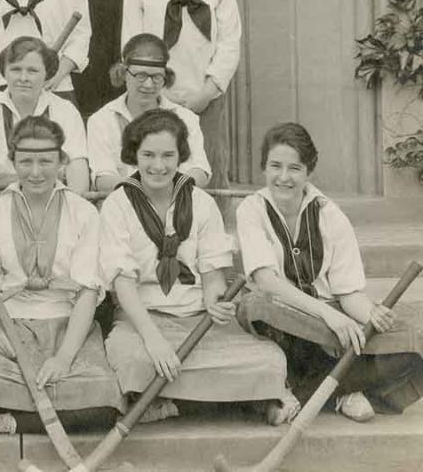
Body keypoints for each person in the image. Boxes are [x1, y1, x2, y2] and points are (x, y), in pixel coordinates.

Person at [99, 109, 297, 425]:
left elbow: (213, 278)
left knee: (269, 359)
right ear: (133, 156)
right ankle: (241, 402)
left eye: (168, 155)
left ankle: (168, 402)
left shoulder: (201, 203)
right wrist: (153, 339)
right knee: (129, 361)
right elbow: (122, 283)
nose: (158, 165)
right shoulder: (117, 204)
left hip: (197, 319)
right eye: (148, 155)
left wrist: (214, 302)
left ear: (181, 157)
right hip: (141, 319)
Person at [0, 116, 124, 440]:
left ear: (62, 162)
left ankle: (0, 425)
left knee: (103, 404)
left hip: (69, 323)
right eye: (25, 161)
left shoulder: (83, 212)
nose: (35, 172)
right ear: (12, 161)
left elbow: (87, 293)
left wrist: (64, 358)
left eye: (45, 161)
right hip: (12, 324)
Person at [236, 122, 423, 422]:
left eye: (294, 168)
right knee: (254, 306)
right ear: (263, 168)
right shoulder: (251, 209)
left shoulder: (330, 215)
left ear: (309, 171)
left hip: (331, 321)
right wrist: (329, 317)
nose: (284, 177)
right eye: (275, 166)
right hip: (285, 317)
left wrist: (369, 314)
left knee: (411, 343)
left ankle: (303, 394)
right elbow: (266, 282)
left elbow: (347, 293)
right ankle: (346, 390)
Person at [121, 0, 241, 188]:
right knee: (159, 172)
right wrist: (162, 96)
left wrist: (205, 93)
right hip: (155, 97)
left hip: (206, 99)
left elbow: (229, 44)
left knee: (208, 173)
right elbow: (133, 47)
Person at [0, 36, 90, 224]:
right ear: (4, 73)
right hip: (0, 211)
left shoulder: (65, 111)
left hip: (54, 209)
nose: (23, 78)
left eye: (32, 71)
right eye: (15, 70)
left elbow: (76, 167)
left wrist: (73, 218)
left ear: (47, 74)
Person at [88, 32, 211, 190]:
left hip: (175, 202)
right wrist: (144, 192)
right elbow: (102, 178)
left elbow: (200, 170)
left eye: (156, 77)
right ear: (124, 73)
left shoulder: (185, 118)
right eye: (140, 75)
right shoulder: (102, 120)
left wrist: (168, 192)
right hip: (123, 205)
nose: (148, 85)